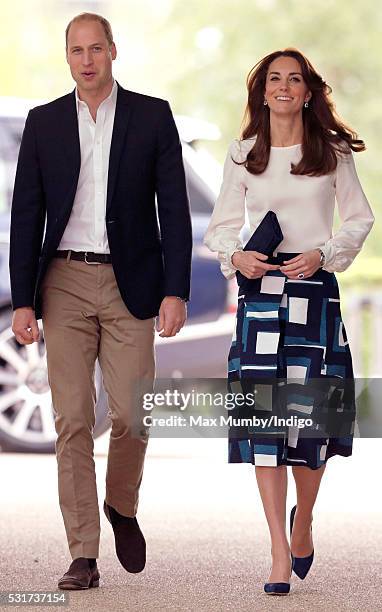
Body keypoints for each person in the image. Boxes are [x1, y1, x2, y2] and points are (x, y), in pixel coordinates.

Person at [9, 12, 192, 590]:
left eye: (95, 49)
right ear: (67, 58)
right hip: (62, 280)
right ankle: (83, 552)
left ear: (113, 51)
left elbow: (175, 210)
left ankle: (121, 504)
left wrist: (175, 289)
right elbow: (25, 218)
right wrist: (22, 299)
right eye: (75, 51)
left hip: (131, 280)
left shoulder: (152, 115)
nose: (86, 60)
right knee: (72, 420)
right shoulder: (43, 124)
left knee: (134, 413)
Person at [203, 48, 374, 596]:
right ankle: (279, 549)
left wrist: (324, 254)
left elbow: (361, 218)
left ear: (307, 91)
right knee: (264, 428)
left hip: (314, 296)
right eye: (273, 79)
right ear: (262, 92)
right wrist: (237, 258)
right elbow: (220, 229)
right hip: (261, 301)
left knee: (312, 425)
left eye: (293, 79)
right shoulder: (243, 154)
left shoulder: (333, 151)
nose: (282, 87)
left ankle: (304, 523)